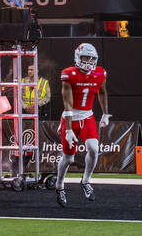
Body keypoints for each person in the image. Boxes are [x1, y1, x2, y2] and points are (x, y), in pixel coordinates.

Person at [55, 43, 110, 207]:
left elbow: (102, 92)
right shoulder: (69, 74)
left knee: (94, 148)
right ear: (78, 57)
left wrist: (105, 113)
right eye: (86, 58)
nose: (90, 62)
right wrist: (68, 128)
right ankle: (59, 185)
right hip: (70, 116)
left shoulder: (100, 73)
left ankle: (85, 181)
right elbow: (68, 104)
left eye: (93, 58)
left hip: (87, 116)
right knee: (68, 158)